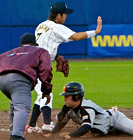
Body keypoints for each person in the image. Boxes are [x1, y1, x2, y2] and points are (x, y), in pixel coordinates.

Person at [26, 1, 102, 133]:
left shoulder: (41, 25)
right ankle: (47, 123)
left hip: (35, 63)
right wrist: (95, 31)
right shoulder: (56, 27)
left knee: (41, 94)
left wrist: (55, 57)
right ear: (58, 15)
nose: (66, 17)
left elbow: (44, 45)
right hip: (39, 65)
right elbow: (76, 36)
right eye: (65, 14)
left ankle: (32, 125)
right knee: (46, 93)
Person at [0, 33, 53, 140]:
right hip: (19, 80)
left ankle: (14, 134)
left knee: (15, 104)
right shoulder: (40, 51)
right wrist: (46, 90)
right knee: (22, 107)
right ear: (35, 44)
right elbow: (46, 70)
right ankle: (16, 138)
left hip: (0, 80)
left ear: (21, 44)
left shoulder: (9, 53)